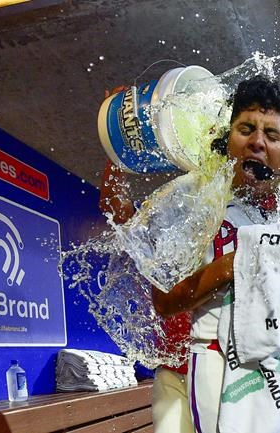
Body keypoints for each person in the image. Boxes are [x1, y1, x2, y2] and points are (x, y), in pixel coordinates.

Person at [151, 75, 280, 433]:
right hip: (212, 369)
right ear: (227, 143)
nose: (257, 142)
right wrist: (229, 267)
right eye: (246, 129)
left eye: (272, 135)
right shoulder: (196, 207)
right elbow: (163, 301)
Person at [99, 160, 194, 433]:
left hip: (219, 369)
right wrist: (119, 151)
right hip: (172, 372)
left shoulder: (230, 233)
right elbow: (113, 204)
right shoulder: (158, 246)